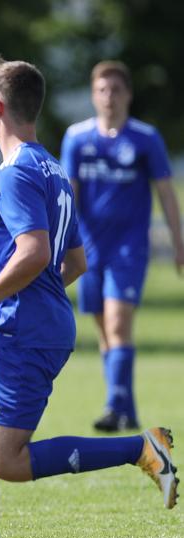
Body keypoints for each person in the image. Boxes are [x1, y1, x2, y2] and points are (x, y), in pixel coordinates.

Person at [0, 58, 178, 538]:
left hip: (25, 331)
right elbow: (76, 261)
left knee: (7, 461)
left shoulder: (17, 172)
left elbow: (34, 252)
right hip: (16, 322)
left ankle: (141, 448)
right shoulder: (52, 169)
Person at [60, 60, 184, 432]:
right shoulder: (77, 138)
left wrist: (178, 241)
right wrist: (61, 243)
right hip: (88, 250)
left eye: (115, 89)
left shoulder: (145, 138)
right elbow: (69, 194)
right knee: (105, 330)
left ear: (128, 94)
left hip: (129, 248)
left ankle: (114, 406)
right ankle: (126, 409)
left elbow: (166, 193)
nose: (109, 97)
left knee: (117, 322)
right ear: (93, 95)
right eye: (102, 90)